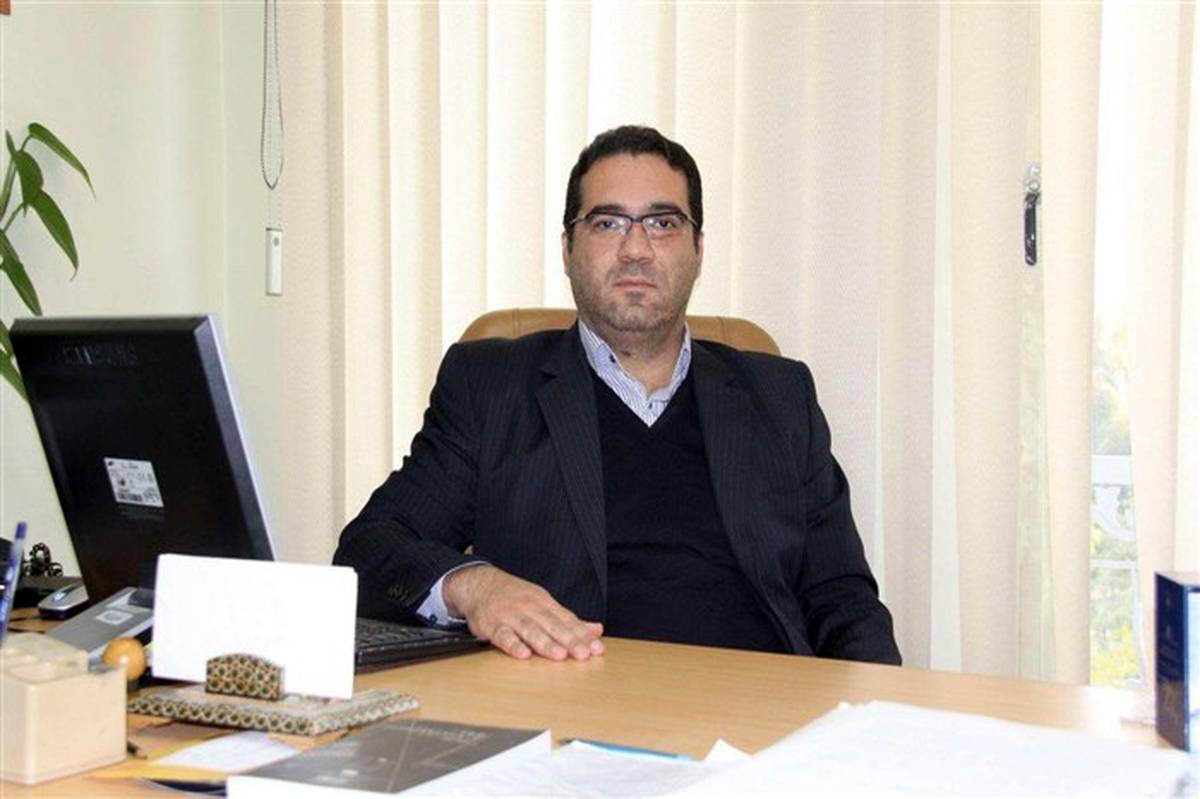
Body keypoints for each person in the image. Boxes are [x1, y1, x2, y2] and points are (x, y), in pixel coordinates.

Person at [334, 125, 901, 666]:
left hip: (759, 708)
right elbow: (369, 550)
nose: (635, 249)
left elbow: (841, 594)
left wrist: (878, 710)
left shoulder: (779, 396)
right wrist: (475, 586)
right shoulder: (490, 388)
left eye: (662, 223)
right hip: (569, 706)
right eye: (607, 223)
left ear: (698, 249)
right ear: (568, 248)